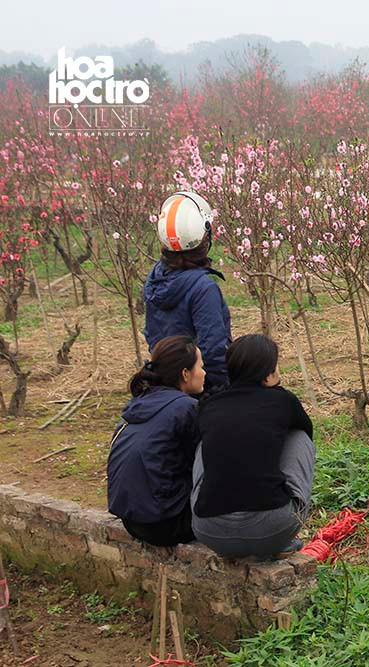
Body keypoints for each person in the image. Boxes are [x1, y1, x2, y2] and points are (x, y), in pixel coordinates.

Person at [191, 334, 316, 559]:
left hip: (210, 532)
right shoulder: (283, 401)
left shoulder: (209, 405)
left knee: (205, 444)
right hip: (273, 529)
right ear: (268, 375)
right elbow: (306, 431)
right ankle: (284, 542)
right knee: (299, 437)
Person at [107, 335, 205, 547]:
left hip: (132, 521)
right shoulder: (186, 408)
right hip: (168, 523)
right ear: (185, 374)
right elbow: (201, 464)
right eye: (201, 366)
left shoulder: (140, 403)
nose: (204, 373)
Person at [144, 191, 231, 392]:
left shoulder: (156, 277)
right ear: (204, 234)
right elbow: (213, 350)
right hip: (198, 388)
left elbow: (153, 336)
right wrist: (223, 393)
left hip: (167, 383)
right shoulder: (203, 289)